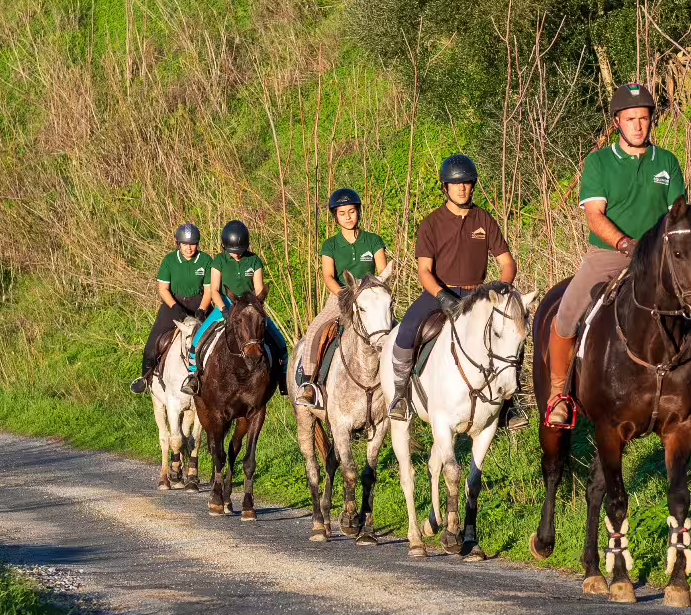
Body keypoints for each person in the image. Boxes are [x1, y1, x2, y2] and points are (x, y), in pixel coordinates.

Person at [542, 81, 687, 428]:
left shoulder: (666, 162)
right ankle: (559, 395)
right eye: (630, 118)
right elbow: (594, 215)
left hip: (657, 259)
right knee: (566, 314)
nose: (638, 125)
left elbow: (678, 216)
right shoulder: (599, 163)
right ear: (617, 122)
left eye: (644, 118)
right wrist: (625, 244)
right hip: (610, 255)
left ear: (652, 120)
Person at [386, 154, 526, 430]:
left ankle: (508, 406)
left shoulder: (484, 219)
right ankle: (401, 396)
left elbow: (507, 262)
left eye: (467, 183)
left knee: (511, 333)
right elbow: (424, 271)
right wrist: (442, 296)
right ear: (445, 187)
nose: (462, 188)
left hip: (479, 295)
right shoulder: (431, 224)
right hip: (439, 293)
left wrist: (502, 287)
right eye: (455, 183)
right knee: (406, 331)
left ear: (473, 185)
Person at [293, 188, 388, 410]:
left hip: (371, 299)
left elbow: (382, 271)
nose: (348, 216)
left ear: (358, 212)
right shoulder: (331, 245)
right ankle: (309, 383)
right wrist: (345, 295)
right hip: (340, 297)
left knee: (394, 330)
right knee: (315, 329)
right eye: (342, 213)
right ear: (335, 216)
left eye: (352, 211)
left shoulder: (373, 240)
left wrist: (371, 293)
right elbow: (328, 275)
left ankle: (403, 383)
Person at [181, 220, 289, 396]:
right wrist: (223, 309)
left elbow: (259, 288)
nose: (237, 255)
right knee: (198, 339)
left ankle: (283, 376)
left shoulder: (254, 261)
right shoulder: (219, 261)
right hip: (227, 304)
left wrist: (257, 305)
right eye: (233, 252)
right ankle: (193, 376)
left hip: (249, 306)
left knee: (279, 341)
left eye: (239, 252)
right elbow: (214, 290)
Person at [131, 223, 211, 394]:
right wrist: (175, 307)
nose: (189, 248)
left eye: (192, 244)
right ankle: (145, 378)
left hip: (198, 302)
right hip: (173, 303)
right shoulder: (169, 260)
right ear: (178, 244)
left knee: (214, 338)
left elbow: (209, 290)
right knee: (152, 343)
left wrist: (202, 309)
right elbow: (163, 289)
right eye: (184, 244)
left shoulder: (205, 260)